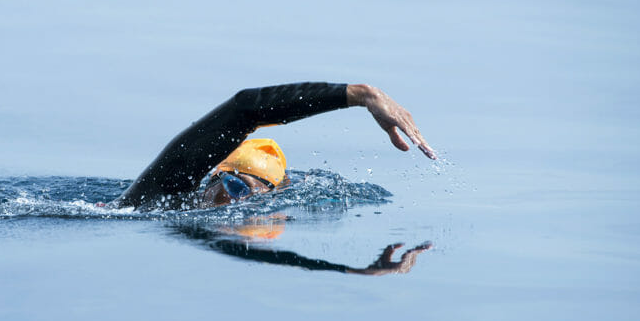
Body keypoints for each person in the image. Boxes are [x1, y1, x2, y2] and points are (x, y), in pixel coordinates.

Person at [116, 82, 436, 210]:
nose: (233, 203)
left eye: (252, 197)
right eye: (235, 186)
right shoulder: (159, 195)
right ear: (212, 177)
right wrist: (361, 95)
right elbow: (244, 109)